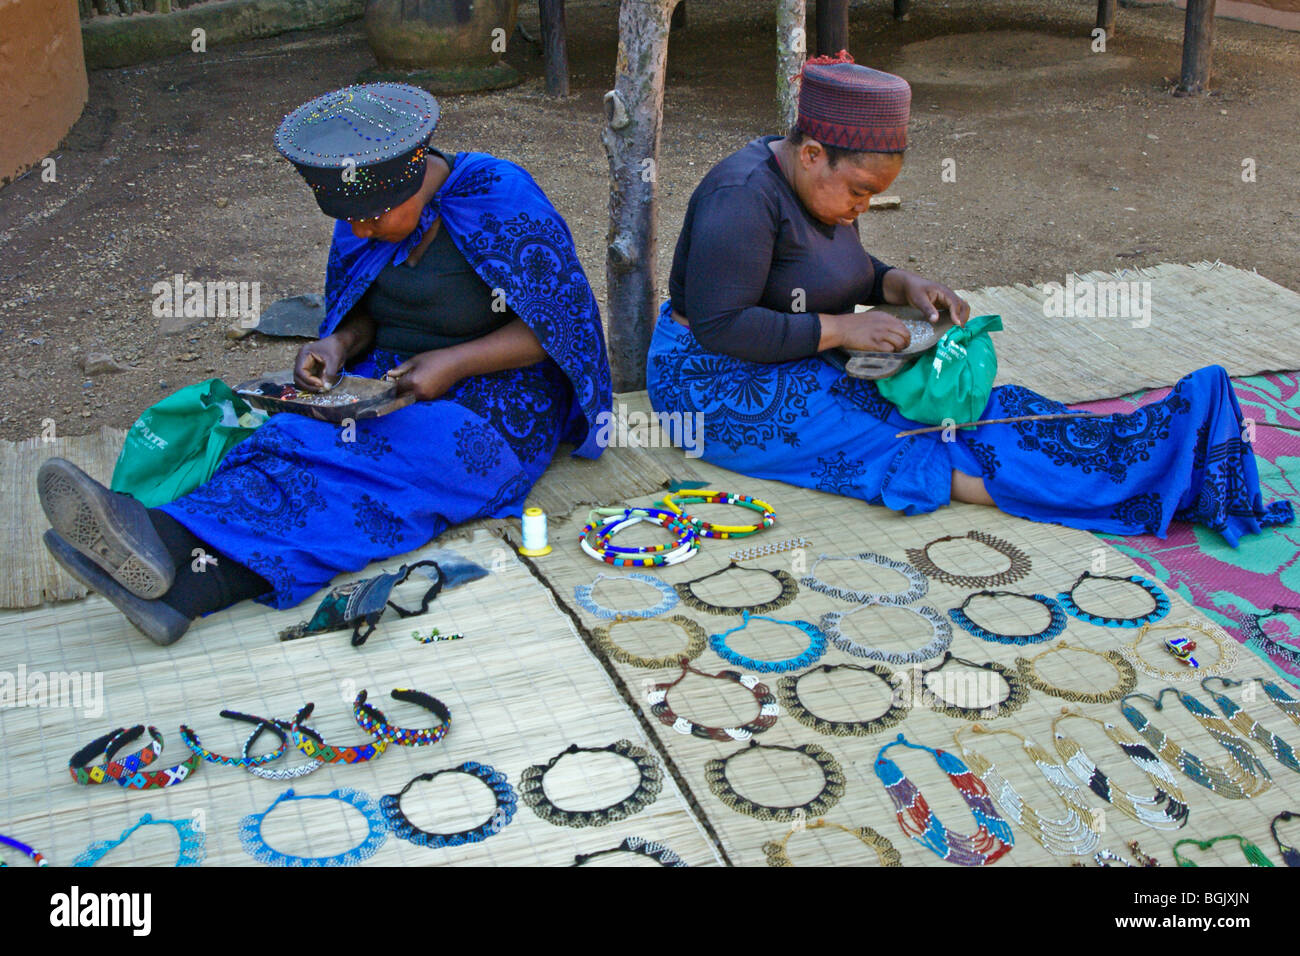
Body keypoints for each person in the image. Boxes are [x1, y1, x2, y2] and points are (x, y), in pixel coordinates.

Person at [38, 83, 611, 645]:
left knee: (387, 472)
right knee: (290, 441)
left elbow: (564, 326)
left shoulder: (497, 197)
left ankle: (167, 558)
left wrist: (456, 362)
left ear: (411, 180)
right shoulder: (361, 203)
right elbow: (365, 311)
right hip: (390, 374)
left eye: (373, 220)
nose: (360, 231)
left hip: (503, 394)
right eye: (351, 221)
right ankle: (177, 581)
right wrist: (338, 343)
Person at [647, 54, 1291, 546]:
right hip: (713, 384)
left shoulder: (819, 185)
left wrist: (898, 285)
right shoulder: (742, 198)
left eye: (873, 198)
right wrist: (843, 331)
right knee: (902, 435)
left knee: (973, 408)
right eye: (861, 193)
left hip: (787, 352)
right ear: (812, 154)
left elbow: (824, 272)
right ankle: (1141, 486)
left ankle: (1157, 447)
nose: (862, 209)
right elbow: (721, 326)